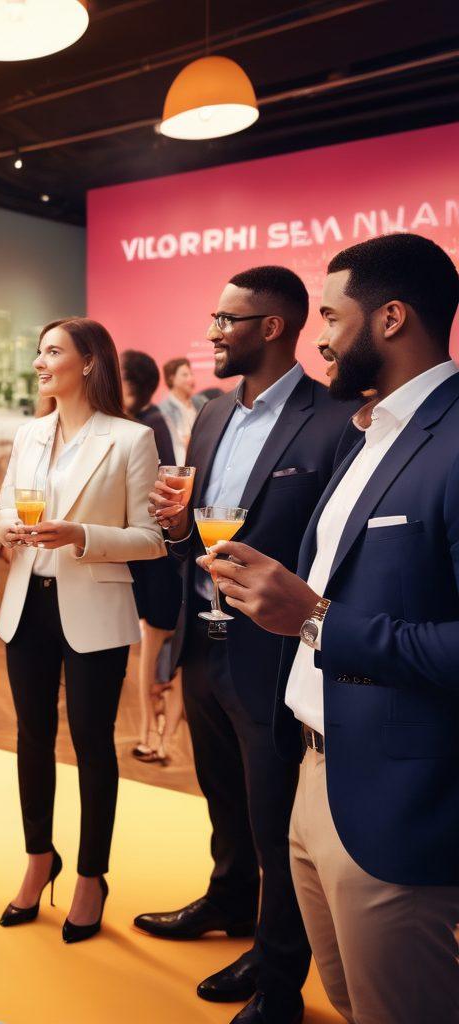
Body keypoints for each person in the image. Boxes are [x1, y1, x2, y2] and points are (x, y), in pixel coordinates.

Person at [206, 234, 459, 1024]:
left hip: (395, 799)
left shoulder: (453, 438)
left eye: (329, 316)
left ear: (389, 318)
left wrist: (313, 616)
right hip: (313, 773)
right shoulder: (369, 433)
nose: (317, 336)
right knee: (350, 1001)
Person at [137, 266, 360, 1024]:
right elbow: (190, 526)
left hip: (275, 654)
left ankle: (278, 978)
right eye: (213, 317)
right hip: (203, 637)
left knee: (276, 822)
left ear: (272, 327)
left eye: (228, 320)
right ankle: (227, 903)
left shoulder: (336, 420)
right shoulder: (209, 415)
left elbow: (336, 551)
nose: (212, 332)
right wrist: (173, 525)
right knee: (221, 793)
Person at [0, 319, 165, 943]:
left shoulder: (131, 439)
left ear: (89, 362)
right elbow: (6, 509)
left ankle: (92, 875)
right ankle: (40, 858)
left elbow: (152, 539)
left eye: (52, 351)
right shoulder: (31, 432)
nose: (40, 362)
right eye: (38, 350)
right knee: (31, 739)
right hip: (26, 602)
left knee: (93, 744)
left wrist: (82, 536)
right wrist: (4, 527)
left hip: (94, 606)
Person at [120, 349, 186, 764]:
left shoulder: (146, 426)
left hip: (156, 555)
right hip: (146, 553)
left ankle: (156, 734)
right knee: (158, 644)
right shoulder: (146, 423)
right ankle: (158, 733)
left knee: (159, 643)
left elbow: (162, 493)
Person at [159, 357, 206, 462]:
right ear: (172, 378)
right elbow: (175, 444)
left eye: (191, 374)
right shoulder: (163, 410)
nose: (191, 379)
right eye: (185, 375)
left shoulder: (201, 401)